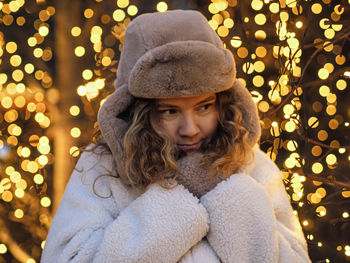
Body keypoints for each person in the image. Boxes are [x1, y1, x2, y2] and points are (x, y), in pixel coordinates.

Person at [41, 10, 311, 263]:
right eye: (170, 111)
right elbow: (68, 258)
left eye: (204, 107)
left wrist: (237, 203)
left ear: (223, 103)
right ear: (139, 112)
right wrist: (172, 212)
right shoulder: (103, 168)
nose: (190, 128)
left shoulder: (251, 164)